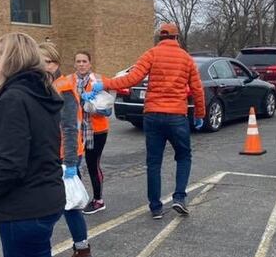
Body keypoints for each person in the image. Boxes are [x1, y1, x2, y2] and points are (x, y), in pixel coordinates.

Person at [87, 23, 205, 219]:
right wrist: (199, 114)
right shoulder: (186, 59)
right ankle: (179, 197)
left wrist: (105, 84)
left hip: (153, 115)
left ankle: (156, 207)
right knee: (184, 156)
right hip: (177, 116)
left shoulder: (151, 54)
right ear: (177, 38)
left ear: (160, 38)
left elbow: (131, 78)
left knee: (154, 162)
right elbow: (197, 89)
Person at [0, 33, 64, 257]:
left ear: (11, 61)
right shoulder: (40, 93)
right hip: (44, 199)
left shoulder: (15, 98)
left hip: (25, 208)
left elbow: (11, 163)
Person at [38, 42, 94, 257]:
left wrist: (70, 163)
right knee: (59, 205)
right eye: (39, 61)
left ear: (55, 64)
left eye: (46, 62)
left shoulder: (63, 88)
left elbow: (71, 128)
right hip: (52, 155)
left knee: (69, 206)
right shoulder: (47, 85)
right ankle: (80, 250)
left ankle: (82, 251)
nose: (42, 66)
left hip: (64, 157)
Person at [68, 51, 111, 215]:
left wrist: (95, 104)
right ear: (74, 64)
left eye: (84, 61)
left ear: (90, 63)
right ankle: (79, 196)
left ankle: (98, 200)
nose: (81, 64)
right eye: (78, 61)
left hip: (96, 130)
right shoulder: (68, 81)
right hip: (75, 130)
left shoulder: (98, 80)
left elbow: (107, 109)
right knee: (73, 164)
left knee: (93, 165)